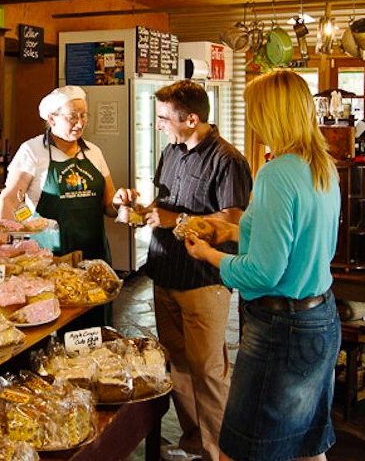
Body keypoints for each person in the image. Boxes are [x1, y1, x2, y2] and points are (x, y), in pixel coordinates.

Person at [184, 70, 342, 461]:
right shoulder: (321, 165)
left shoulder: (276, 173)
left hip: (280, 329)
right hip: (321, 319)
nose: (251, 119)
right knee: (308, 446)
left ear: (271, 113)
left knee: (238, 450)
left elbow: (264, 272)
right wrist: (233, 232)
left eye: (254, 109)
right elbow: (301, 243)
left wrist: (208, 254)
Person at [115, 80, 252, 461]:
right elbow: (164, 203)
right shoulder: (171, 151)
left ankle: (220, 453)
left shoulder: (229, 160)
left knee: (208, 372)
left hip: (203, 282)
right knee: (177, 368)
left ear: (192, 119)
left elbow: (233, 221)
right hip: (164, 274)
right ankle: (194, 441)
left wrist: (172, 218)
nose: (158, 124)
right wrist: (140, 210)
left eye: (164, 118)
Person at [0, 85, 120, 261]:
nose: (80, 122)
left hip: (94, 253)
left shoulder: (94, 152)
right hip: (48, 256)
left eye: (83, 115)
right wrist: (0, 232)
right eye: (72, 117)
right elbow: (11, 197)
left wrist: (121, 204)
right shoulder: (32, 150)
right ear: (52, 119)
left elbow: (109, 204)